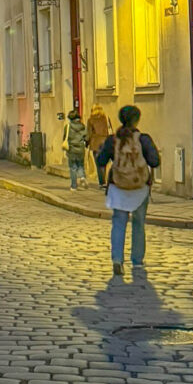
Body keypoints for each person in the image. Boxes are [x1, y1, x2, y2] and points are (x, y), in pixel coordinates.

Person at [96, 105, 160, 276]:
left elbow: (101, 161)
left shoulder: (113, 140)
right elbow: (154, 161)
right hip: (139, 187)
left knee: (119, 223)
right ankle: (137, 261)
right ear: (137, 119)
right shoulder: (143, 139)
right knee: (138, 224)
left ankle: (117, 259)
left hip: (119, 187)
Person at [86, 104, 112, 188]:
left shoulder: (90, 120)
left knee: (99, 164)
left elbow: (89, 133)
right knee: (105, 163)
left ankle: (102, 182)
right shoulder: (106, 118)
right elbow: (110, 129)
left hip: (95, 143)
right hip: (105, 142)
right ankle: (105, 180)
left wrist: (87, 142)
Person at [62, 108, 88, 190]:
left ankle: (74, 186)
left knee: (73, 167)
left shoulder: (68, 126)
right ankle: (82, 177)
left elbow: (65, 137)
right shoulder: (83, 126)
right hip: (80, 148)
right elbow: (86, 137)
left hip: (72, 149)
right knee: (80, 165)